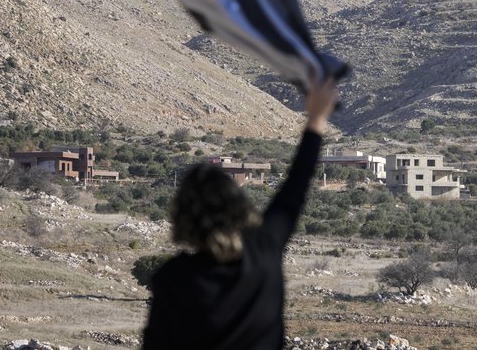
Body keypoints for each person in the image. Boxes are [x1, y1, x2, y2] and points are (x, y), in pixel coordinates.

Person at [142, 78, 338, 349]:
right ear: (239, 206)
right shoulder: (263, 249)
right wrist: (316, 119)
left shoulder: (173, 279)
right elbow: (296, 186)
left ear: (182, 218)